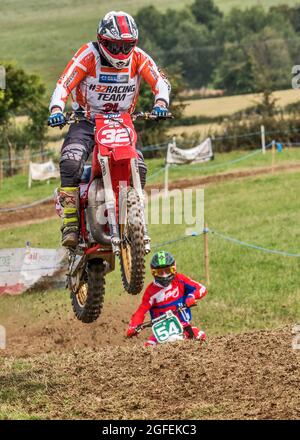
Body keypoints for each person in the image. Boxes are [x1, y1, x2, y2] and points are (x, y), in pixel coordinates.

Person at [48, 11, 171, 248]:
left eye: (127, 46)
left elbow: (159, 82)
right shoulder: (88, 54)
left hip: (121, 121)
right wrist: (56, 109)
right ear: (102, 41)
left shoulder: (138, 57)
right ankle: (71, 222)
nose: (121, 53)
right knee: (70, 161)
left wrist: (161, 104)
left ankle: (130, 215)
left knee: (140, 166)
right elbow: (64, 84)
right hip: (86, 120)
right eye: (114, 46)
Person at [126, 251, 207, 347]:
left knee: (201, 338)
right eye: (160, 272)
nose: (164, 275)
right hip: (161, 333)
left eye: (167, 270)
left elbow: (201, 288)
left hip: (184, 327)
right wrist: (134, 326)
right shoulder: (150, 291)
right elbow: (141, 312)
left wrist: (192, 296)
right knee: (147, 350)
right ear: (153, 272)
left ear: (174, 269)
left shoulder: (180, 279)